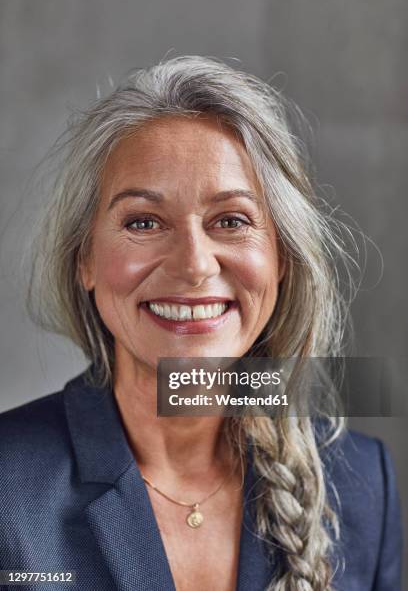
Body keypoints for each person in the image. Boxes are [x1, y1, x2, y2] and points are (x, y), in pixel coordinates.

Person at [0, 56, 402, 591]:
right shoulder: (9, 487)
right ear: (85, 260)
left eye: (231, 221)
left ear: (281, 257)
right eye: (144, 221)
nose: (193, 265)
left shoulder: (363, 485)